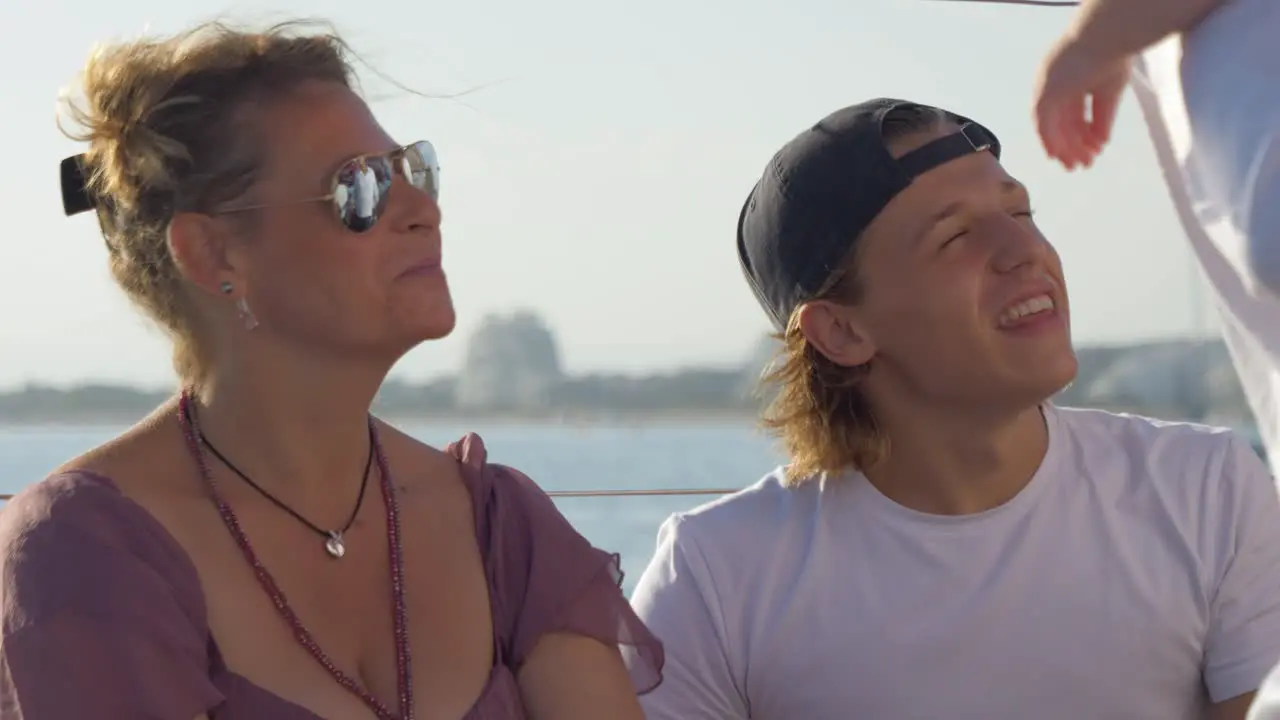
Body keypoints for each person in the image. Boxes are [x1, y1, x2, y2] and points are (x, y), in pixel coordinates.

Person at [0, 21, 662, 720]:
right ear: (214, 255)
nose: (423, 210)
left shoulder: (502, 532)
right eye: (360, 189)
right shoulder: (86, 555)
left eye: (414, 169)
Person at [625, 97, 1280, 719]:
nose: (1026, 251)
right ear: (842, 331)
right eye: (955, 236)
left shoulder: (1206, 490)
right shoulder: (716, 579)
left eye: (1020, 214)